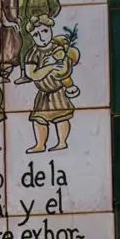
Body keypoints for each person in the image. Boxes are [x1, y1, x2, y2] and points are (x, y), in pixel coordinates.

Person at [23, 19, 78, 150]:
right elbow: (32, 74)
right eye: (36, 34)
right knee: (39, 119)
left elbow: (64, 69)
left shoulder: (58, 49)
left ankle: (62, 142)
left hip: (57, 92)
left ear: (51, 30)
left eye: (44, 31)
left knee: (61, 117)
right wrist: (50, 66)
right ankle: (40, 144)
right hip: (43, 93)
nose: (41, 37)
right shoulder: (32, 54)